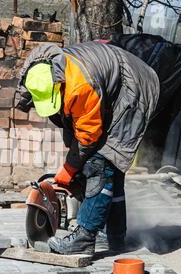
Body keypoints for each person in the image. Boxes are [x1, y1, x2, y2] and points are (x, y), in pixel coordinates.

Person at [15, 42, 160, 256]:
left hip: (134, 89)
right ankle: (115, 236)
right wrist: (73, 166)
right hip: (110, 83)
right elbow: (70, 122)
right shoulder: (35, 74)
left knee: (99, 164)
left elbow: (88, 135)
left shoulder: (79, 87)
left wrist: (70, 167)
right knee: (110, 170)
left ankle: (84, 237)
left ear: (59, 85)